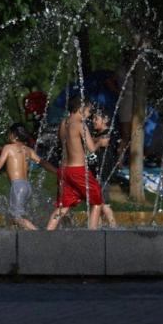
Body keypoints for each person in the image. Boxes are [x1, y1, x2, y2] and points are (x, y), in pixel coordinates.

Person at [46, 95, 106, 231]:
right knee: (97, 201)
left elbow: (69, 144)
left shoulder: (63, 123)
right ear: (81, 109)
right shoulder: (80, 125)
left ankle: (47, 233)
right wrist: (100, 142)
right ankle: (92, 235)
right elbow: (91, 149)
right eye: (89, 111)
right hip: (78, 171)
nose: (89, 115)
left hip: (64, 171)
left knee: (63, 207)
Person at [0, 123, 47, 230]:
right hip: (27, 186)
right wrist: (57, 171)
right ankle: (12, 240)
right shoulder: (28, 150)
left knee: (16, 217)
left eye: (9, 133)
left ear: (13, 135)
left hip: (18, 186)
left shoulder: (8, 148)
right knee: (12, 217)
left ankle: (39, 235)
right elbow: (42, 162)